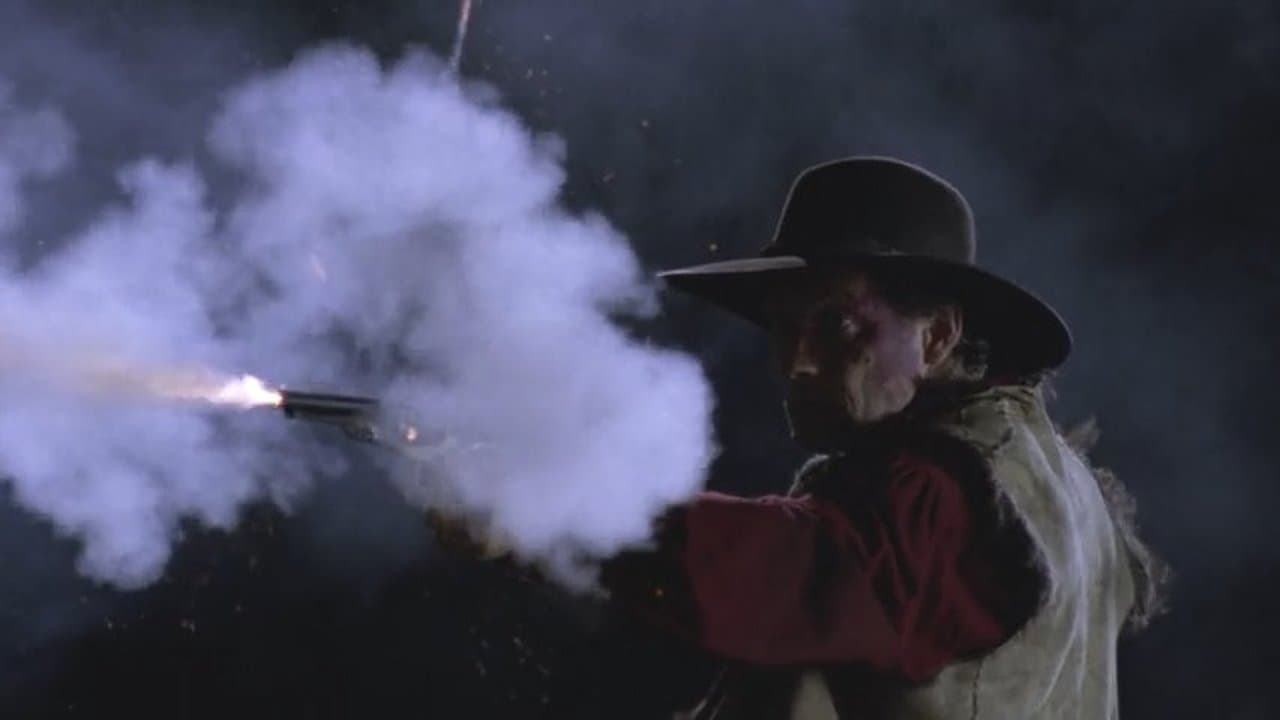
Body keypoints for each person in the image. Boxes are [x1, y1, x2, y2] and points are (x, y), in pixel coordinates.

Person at [596, 157, 1164, 719]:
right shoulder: (1058, 490)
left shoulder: (943, 489)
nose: (797, 363)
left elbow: (794, 571)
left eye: (836, 324)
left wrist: (585, 512)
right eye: (785, 328)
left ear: (936, 336)